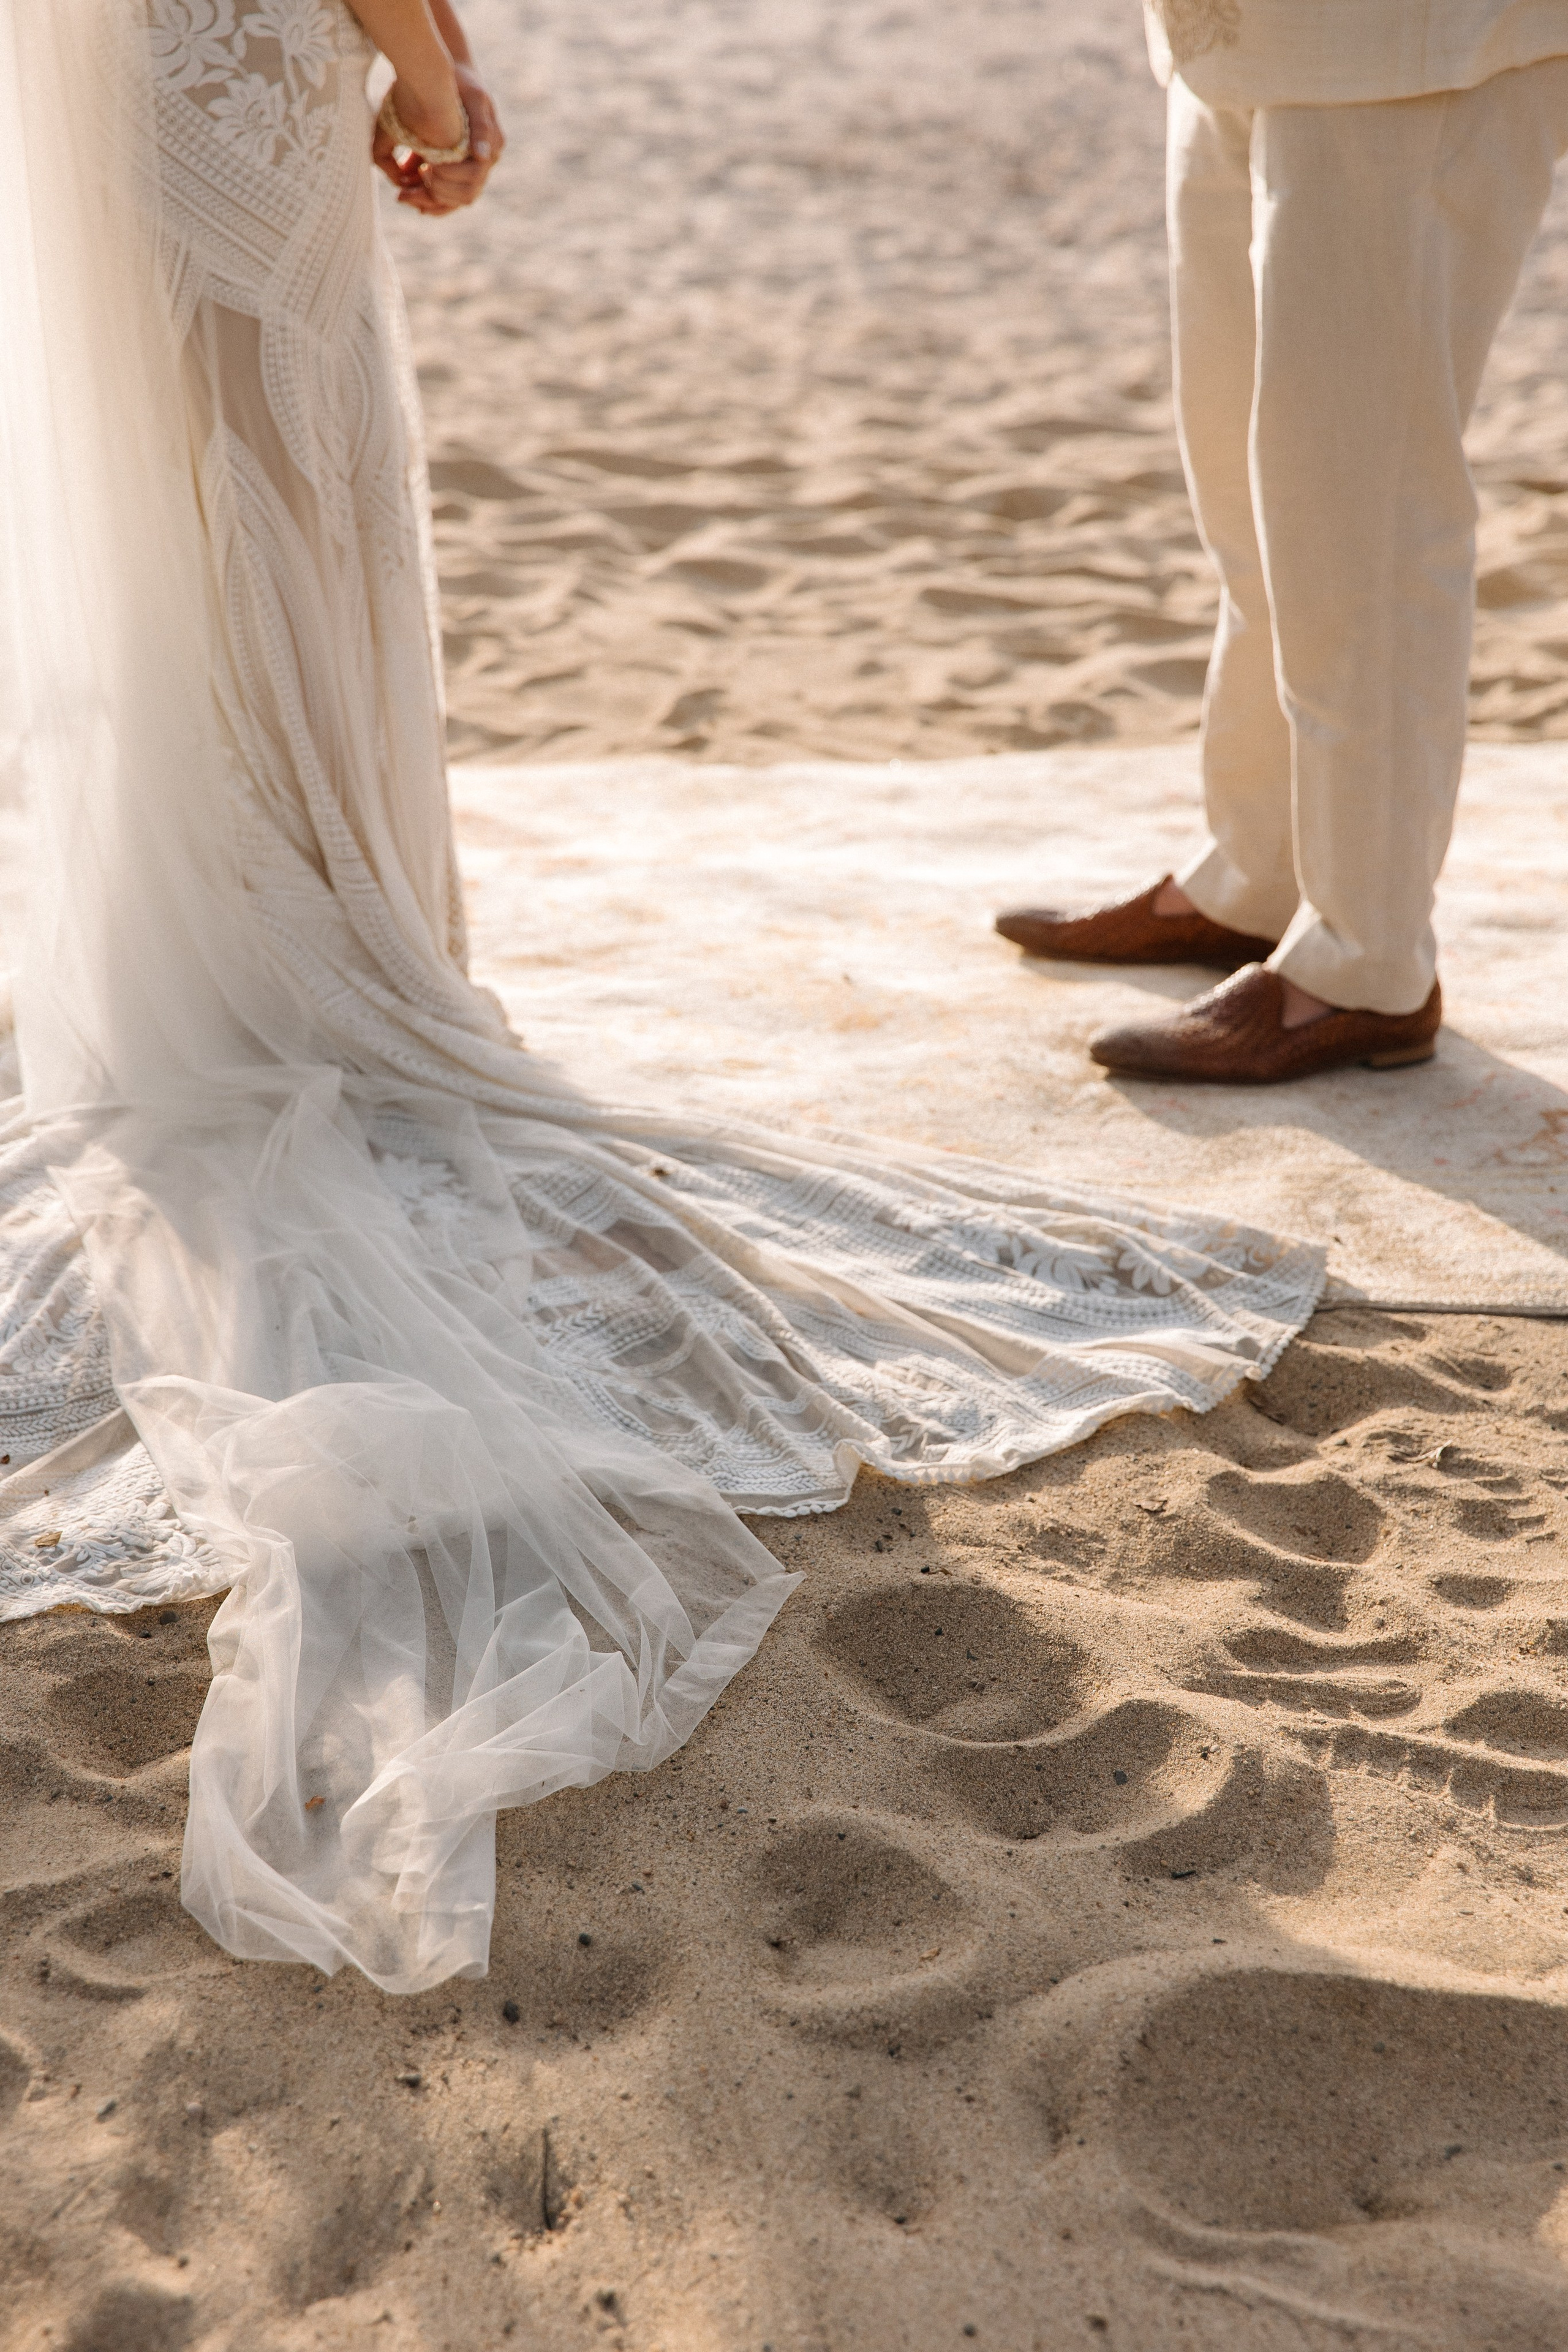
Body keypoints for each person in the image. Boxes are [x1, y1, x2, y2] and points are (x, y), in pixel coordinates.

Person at [0, 1, 1319, 1992]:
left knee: (198, 489)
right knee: (274, 460)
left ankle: (263, 937)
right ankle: (323, 950)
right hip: (237, 61)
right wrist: (431, 75)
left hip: (112, 67)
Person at [997, 0, 1568, 1084]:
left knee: (1364, 506)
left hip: (1409, 43)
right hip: (1238, 29)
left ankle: (1366, 960)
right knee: (1252, 490)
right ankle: (1257, 871)